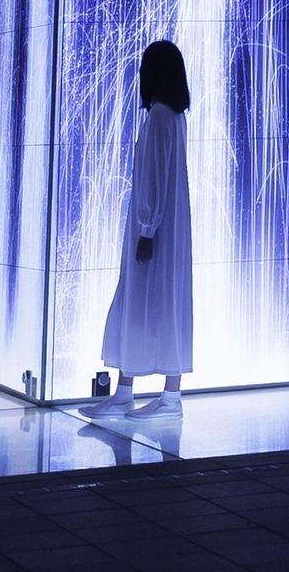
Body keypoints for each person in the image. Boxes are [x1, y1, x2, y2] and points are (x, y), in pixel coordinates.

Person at [99, 39, 194, 399]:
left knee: (139, 299)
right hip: (171, 227)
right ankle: (166, 393)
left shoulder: (158, 117)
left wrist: (147, 229)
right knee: (167, 301)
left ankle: (130, 392)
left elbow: (154, 176)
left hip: (156, 229)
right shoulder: (175, 117)